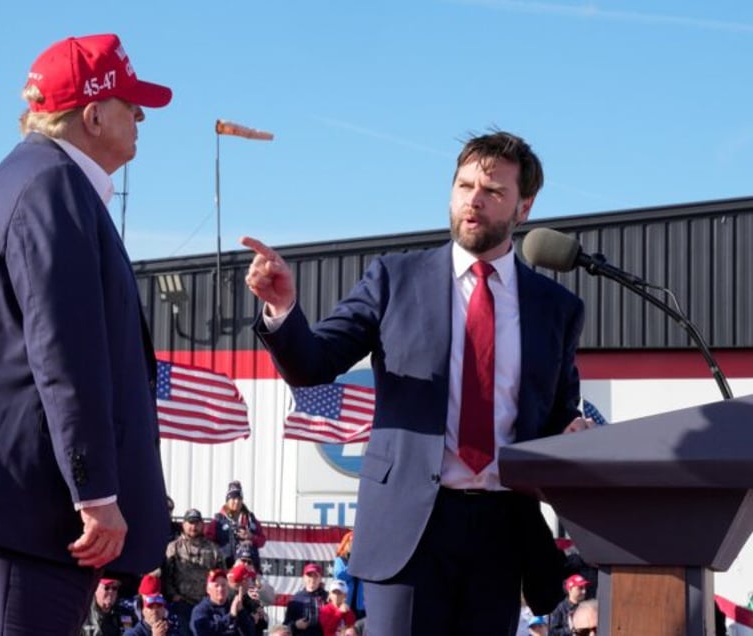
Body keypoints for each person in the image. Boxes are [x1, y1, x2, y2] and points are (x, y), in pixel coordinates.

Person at [242, 130, 594, 635]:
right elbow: (314, 363)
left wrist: (571, 431)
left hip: (502, 531)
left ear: (524, 207)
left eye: (493, 191)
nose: (473, 199)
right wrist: (282, 310)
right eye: (464, 185)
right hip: (410, 529)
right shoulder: (393, 279)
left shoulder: (556, 308)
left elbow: (556, 409)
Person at [0, 33, 173, 635]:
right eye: (129, 103)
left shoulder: (22, 181)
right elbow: (65, 352)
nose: (141, 115)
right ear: (91, 115)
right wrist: (94, 492)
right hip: (34, 508)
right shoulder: (52, 186)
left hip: (18, 505)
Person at [164, 507, 226, 635]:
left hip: (206, 605)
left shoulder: (214, 549)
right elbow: (166, 576)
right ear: (184, 524)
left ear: (202, 524)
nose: (194, 526)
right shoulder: (174, 547)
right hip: (182, 604)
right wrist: (174, 596)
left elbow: (222, 577)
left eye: (197, 523)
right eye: (190, 522)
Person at [206, 480, 267, 569]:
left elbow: (262, 540)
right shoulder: (218, 521)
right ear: (227, 500)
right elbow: (208, 541)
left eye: (239, 498)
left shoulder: (251, 520)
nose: (237, 502)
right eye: (233, 498)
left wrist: (251, 537)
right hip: (226, 567)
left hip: (249, 568)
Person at [190, 569, 256, 636]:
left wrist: (241, 612)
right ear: (208, 590)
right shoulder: (201, 610)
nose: (221, 589)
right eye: (216, 586)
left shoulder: (232, 606)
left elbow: (250, 632)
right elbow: (202, 632)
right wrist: (230, 617)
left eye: (223, 585)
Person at [284, 563, 328, 635]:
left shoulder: (328, 598)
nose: (312, 579)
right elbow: (286, 625)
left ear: (320, 578)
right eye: (309, 576)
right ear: (304, 577)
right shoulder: (296, 599)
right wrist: (295, 625)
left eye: (316, 576)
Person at [333, 531, 365, 621]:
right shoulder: (340, 560)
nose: (353, 544)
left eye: (356, 542)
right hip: (344, 603)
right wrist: (355, 565)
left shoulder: (364, 560)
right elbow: (340, 575)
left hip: (361, 605)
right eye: (350, 541)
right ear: (345, 543)